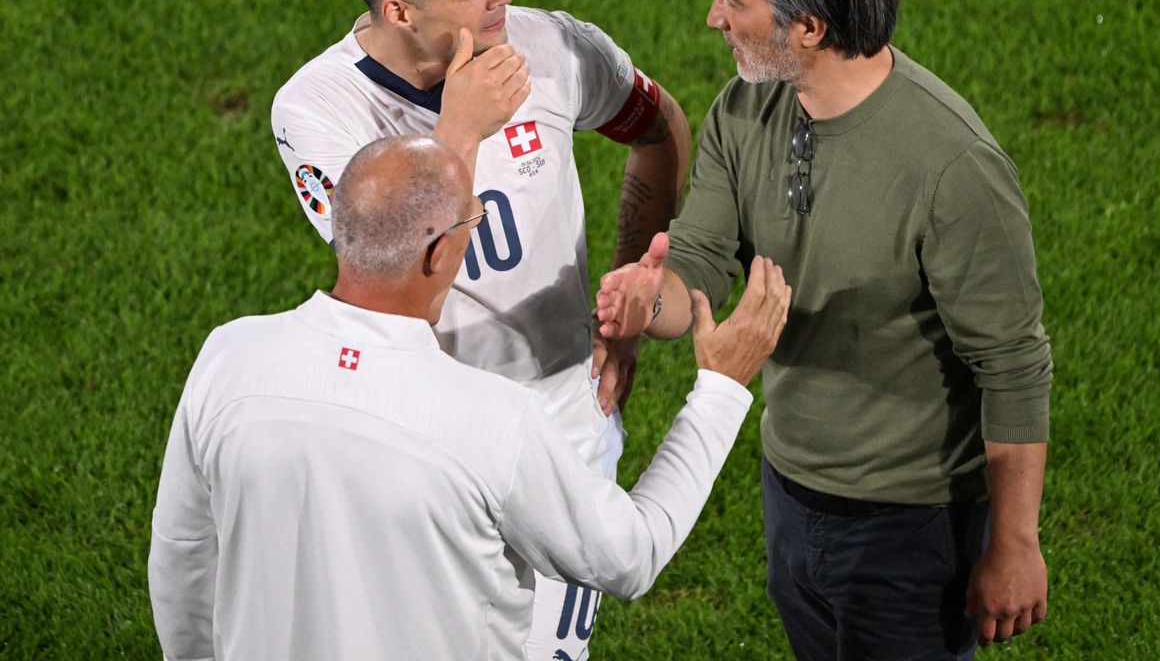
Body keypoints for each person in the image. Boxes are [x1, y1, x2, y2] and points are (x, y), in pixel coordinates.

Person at [596, 0, 1053, 660]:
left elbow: (1011, 364)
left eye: (732, 1)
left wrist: (1014, 542)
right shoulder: (746, 109)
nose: (713, 16)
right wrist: (652, 300)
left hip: (911, 528)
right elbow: (702, 256)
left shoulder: (952, 169)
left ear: (808, 26)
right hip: (791, 490)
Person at [148, 136, 790, 660]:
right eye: (471, 220)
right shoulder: (492, 420)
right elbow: (630, 556)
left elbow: (182, 565)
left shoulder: (228, 360)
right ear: (438, 254)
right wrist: (720, 390)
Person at [270, 0, 690, 654]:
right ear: (400, 12)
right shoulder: (317, 109)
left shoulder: (551, 46)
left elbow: (658, 127)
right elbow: (392, 270)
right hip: (417, 433)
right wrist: (460, 127)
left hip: (564, 419)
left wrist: (631, 294)